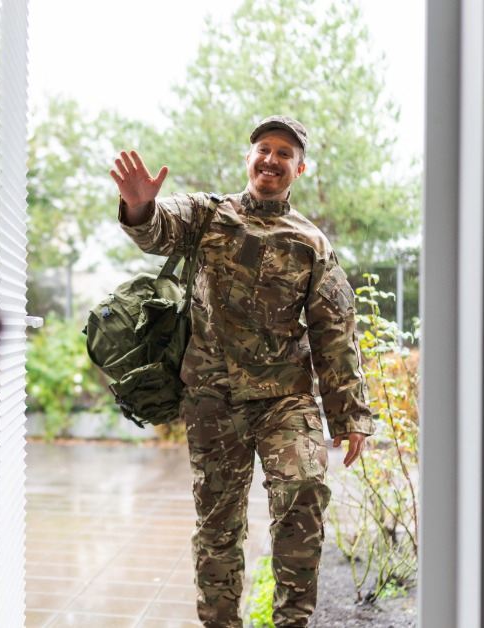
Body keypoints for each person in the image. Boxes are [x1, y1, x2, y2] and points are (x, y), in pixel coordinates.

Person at [108, 115, 374, 628]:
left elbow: (333, 329)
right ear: (249, 158)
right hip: (214, 398)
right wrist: (140, 204)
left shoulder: (311, 242)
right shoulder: (208, 215)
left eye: (284, 152)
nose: (271, 159)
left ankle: (293, 620)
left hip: (285, 399)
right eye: (263, 149)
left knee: (303, 493)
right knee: (217, 528)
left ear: (299, 167)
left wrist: (349, 414)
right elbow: (157, 230)